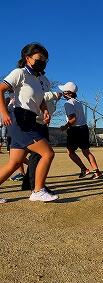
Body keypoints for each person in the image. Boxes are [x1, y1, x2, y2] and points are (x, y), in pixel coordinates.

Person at [0, 42, 58, 203]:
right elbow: (1, 89)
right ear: (27, 58)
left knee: (14, 163)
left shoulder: (40, 79)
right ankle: (38, 191)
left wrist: (45, 110)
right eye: (39, 59)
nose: (43, 62)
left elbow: (39, 99)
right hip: (20, 119)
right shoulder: (20, 73)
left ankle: (38, 189)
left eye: (45, 60)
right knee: (47, 153)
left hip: (30, 119)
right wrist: (4, 112)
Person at [59, 82, 102, 180]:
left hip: (75, 130)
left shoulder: (68, 103)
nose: (62, 93)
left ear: (69, 93)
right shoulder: (77, 102)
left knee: (70, 152)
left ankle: (84, 169)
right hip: (84, 128)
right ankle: (97, 172)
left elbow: (73, 119)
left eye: (64, 91)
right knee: (86, 151)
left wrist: (64, 127)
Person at [21, 90, 62, 192]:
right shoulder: (33, 79)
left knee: (18, 159)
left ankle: (29, 184)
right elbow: (39, 95)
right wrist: (55, 94)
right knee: (42, 154)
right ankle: (36, 186)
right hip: (34, 124)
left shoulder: (42, 80)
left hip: (41, 124)